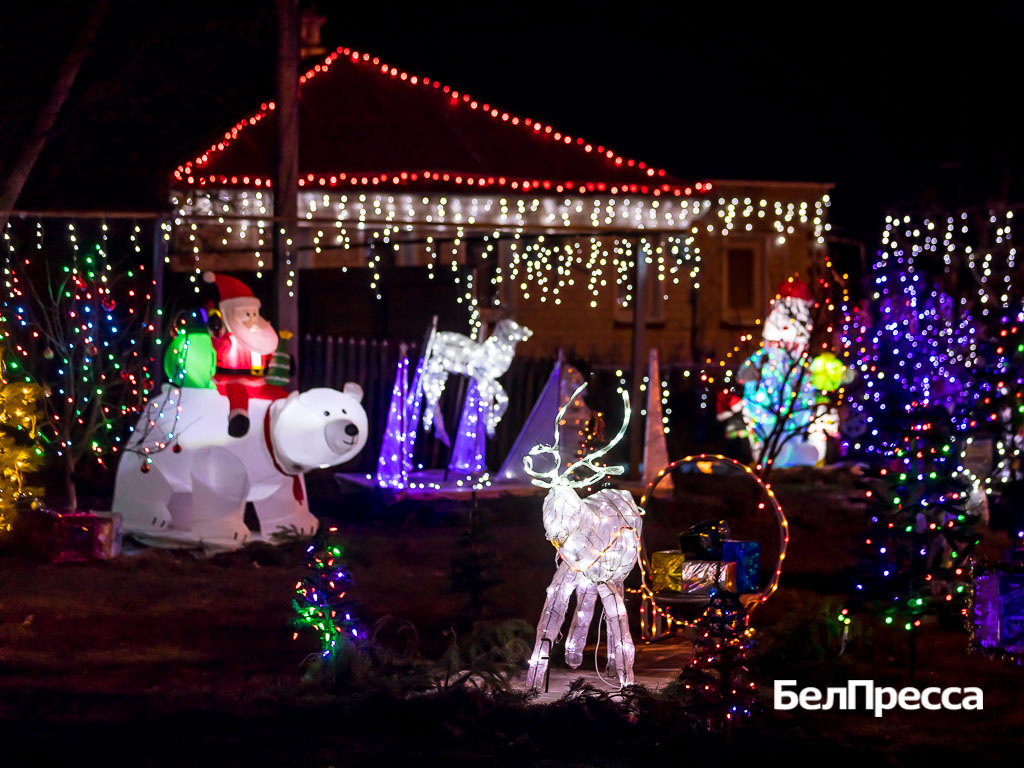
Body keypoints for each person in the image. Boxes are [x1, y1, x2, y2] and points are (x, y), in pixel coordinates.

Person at [203, 272, 285, 437]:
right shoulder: (229, 338)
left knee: (279, 394)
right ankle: (238, 418)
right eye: (247, 314)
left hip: (259, 382)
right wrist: (217, 331)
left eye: (254, 313)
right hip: (233, 381)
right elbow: (220, 347)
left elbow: (268, 356)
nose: (252, 318)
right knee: (238, 392)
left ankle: (291, 410)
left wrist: (278, 363)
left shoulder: (259, 337)